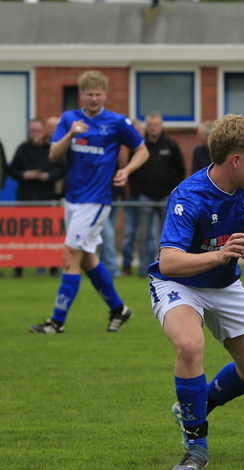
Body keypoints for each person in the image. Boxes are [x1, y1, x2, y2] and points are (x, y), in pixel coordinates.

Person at [147, 114, 244, 470]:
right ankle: (196, 451)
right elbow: (169, 262)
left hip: (224, 282)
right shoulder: (189, 196)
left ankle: (192, 407)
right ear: (235, 160)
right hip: (179, 284)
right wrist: (219, 254)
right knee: (189, 345)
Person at [29, 70, 148, 334]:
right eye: (89, 94)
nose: (93, 99)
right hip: (73, 198)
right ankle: (119, 310)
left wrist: (126, 170)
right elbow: (52, 154)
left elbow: (142, 149)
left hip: (96, 200)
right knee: (87, 260)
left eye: (98, 94)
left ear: (105, 95)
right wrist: (70, 134)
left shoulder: (117, 122)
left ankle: (56, 322)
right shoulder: (70, 119)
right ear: (81, 94)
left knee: (70, 255)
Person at [127, 112, 185, 277]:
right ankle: (145, 269)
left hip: (166, 197)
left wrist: (174, 192)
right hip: (145, 197)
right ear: (147, 127)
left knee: (170, 236)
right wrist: (137, 192)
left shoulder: (171, 145)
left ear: (161, 126)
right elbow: (132, 171)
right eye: (151, 125)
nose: (154, 128)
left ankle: (169, 269)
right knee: (145, 235)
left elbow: (180, 170)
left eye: (157, 125)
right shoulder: (139, 146)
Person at [8, 118, 67, 277]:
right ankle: (18, 268)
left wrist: (49, 176)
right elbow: (12, 170)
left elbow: (62, 168)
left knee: (49, 234)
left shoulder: (51, 148)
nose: (35, 134)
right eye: (32, 131)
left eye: (38, 131)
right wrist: (23, 175)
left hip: (46, 195)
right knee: (21, 234)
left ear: (43, 132)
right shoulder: (22, 148)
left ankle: (53, 268)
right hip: (26, 196)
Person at [121, 118, 146, 276]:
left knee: (147, 234)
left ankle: (147, 267)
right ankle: (126, 265)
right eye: (133, 131)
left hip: (145, 196)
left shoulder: (146, 150)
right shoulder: (123, 150)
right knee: (129, 233)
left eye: (139, 131)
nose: (136, 134)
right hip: (129, 197)